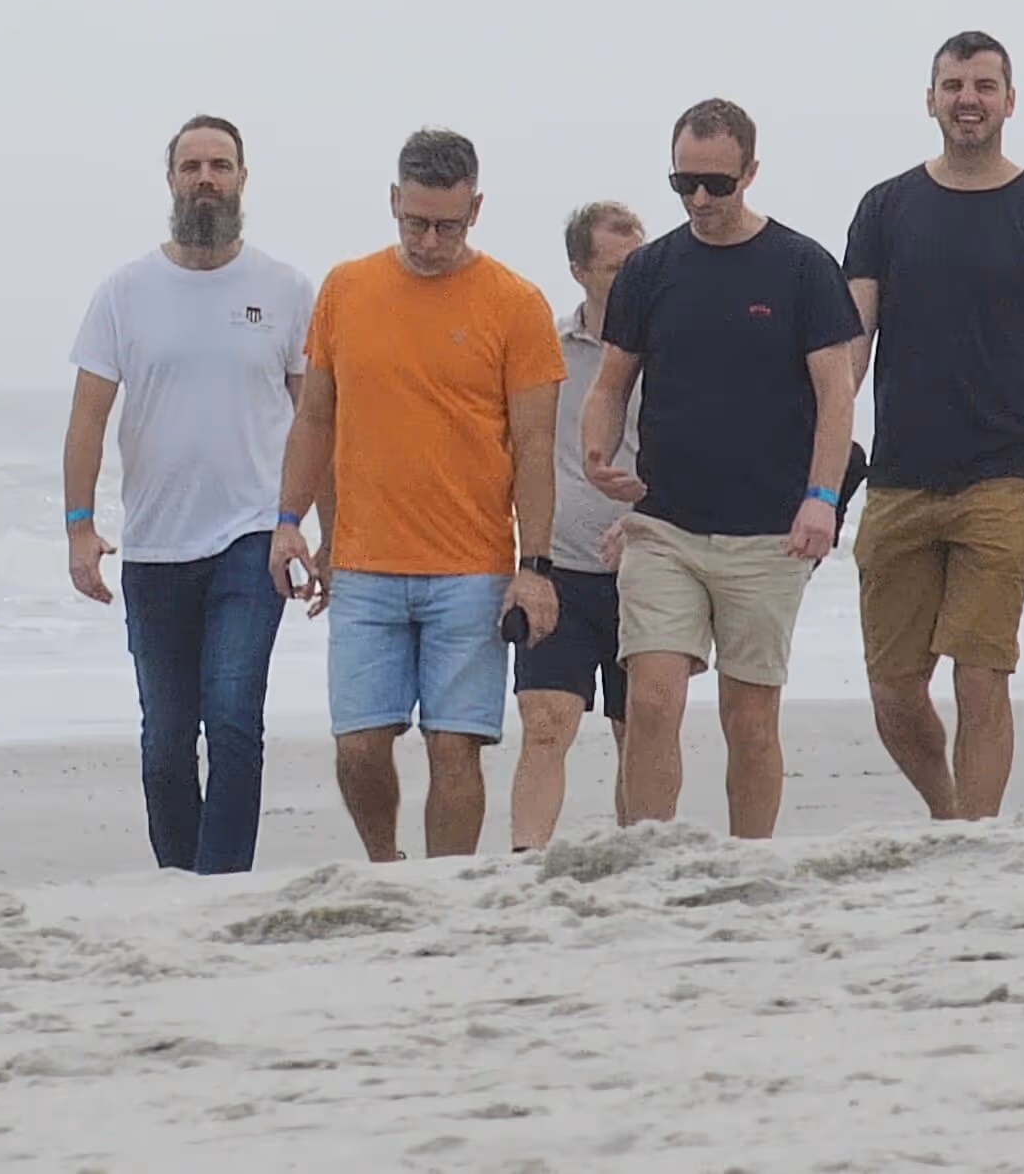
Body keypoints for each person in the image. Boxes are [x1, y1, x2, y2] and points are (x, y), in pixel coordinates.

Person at [273, 128, 561, 864]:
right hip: (366, 564)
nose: (430, 241)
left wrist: (535, 566)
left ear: (477, 209)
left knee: (454, 746)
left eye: (448, 226)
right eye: (416, 223)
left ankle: (448, 889)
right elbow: (316, 417)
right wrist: (288, 523)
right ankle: (386, 867)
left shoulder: (515, 303)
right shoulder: (346, 287)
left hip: (472, 566)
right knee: (359, 745)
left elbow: (534, 447)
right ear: (394, 201)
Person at [580, 100, 861, 838]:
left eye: (716, 183)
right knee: (650, 699)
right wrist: (596, 456)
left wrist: (821, 499)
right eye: (684, 183)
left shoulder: (802, 267)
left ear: (750, 173)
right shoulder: (650, 269)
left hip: (769, 532)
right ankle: (646, 850)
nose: (699, 200)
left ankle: (751, 856)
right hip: (665, 524)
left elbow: (837, 396)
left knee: (750, 716)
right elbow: (610, 385)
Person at [842, 32, 1024, 823]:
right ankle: (950, 815)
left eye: (985, 85)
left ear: (1009, 101)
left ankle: (975, 843)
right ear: (929, 98)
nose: (968, 99)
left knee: (980, 673)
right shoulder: (885, 208)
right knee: (893, 688)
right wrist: (811, 465)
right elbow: (850, 349)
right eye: (954, 84)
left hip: (1006, 474)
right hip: (898, 477)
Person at [62, 115, 315, 875]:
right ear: (170, 179)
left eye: (222, 166)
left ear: (243, 178)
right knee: (167, 737)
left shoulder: (285, 290)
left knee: (233, 717)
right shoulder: (126, 292)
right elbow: (86, 418)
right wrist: (80, 527)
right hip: (155, 546)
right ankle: (179, 880)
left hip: (252, 537)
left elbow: (317, 420)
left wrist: (311, 523)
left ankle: (223, 886)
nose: (207, 178)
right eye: (193, 166)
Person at [509, 200, 647, 851]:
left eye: (641, 265)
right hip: (558, 568)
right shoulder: (548, 352)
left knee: (639, 728)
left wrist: (647, 521)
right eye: (618, 269)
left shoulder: (673, 349)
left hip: (649, 565)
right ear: (579, 270)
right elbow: (515, 447)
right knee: (545, 722)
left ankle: (638, 853)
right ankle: (524, 861)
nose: (635, 280)